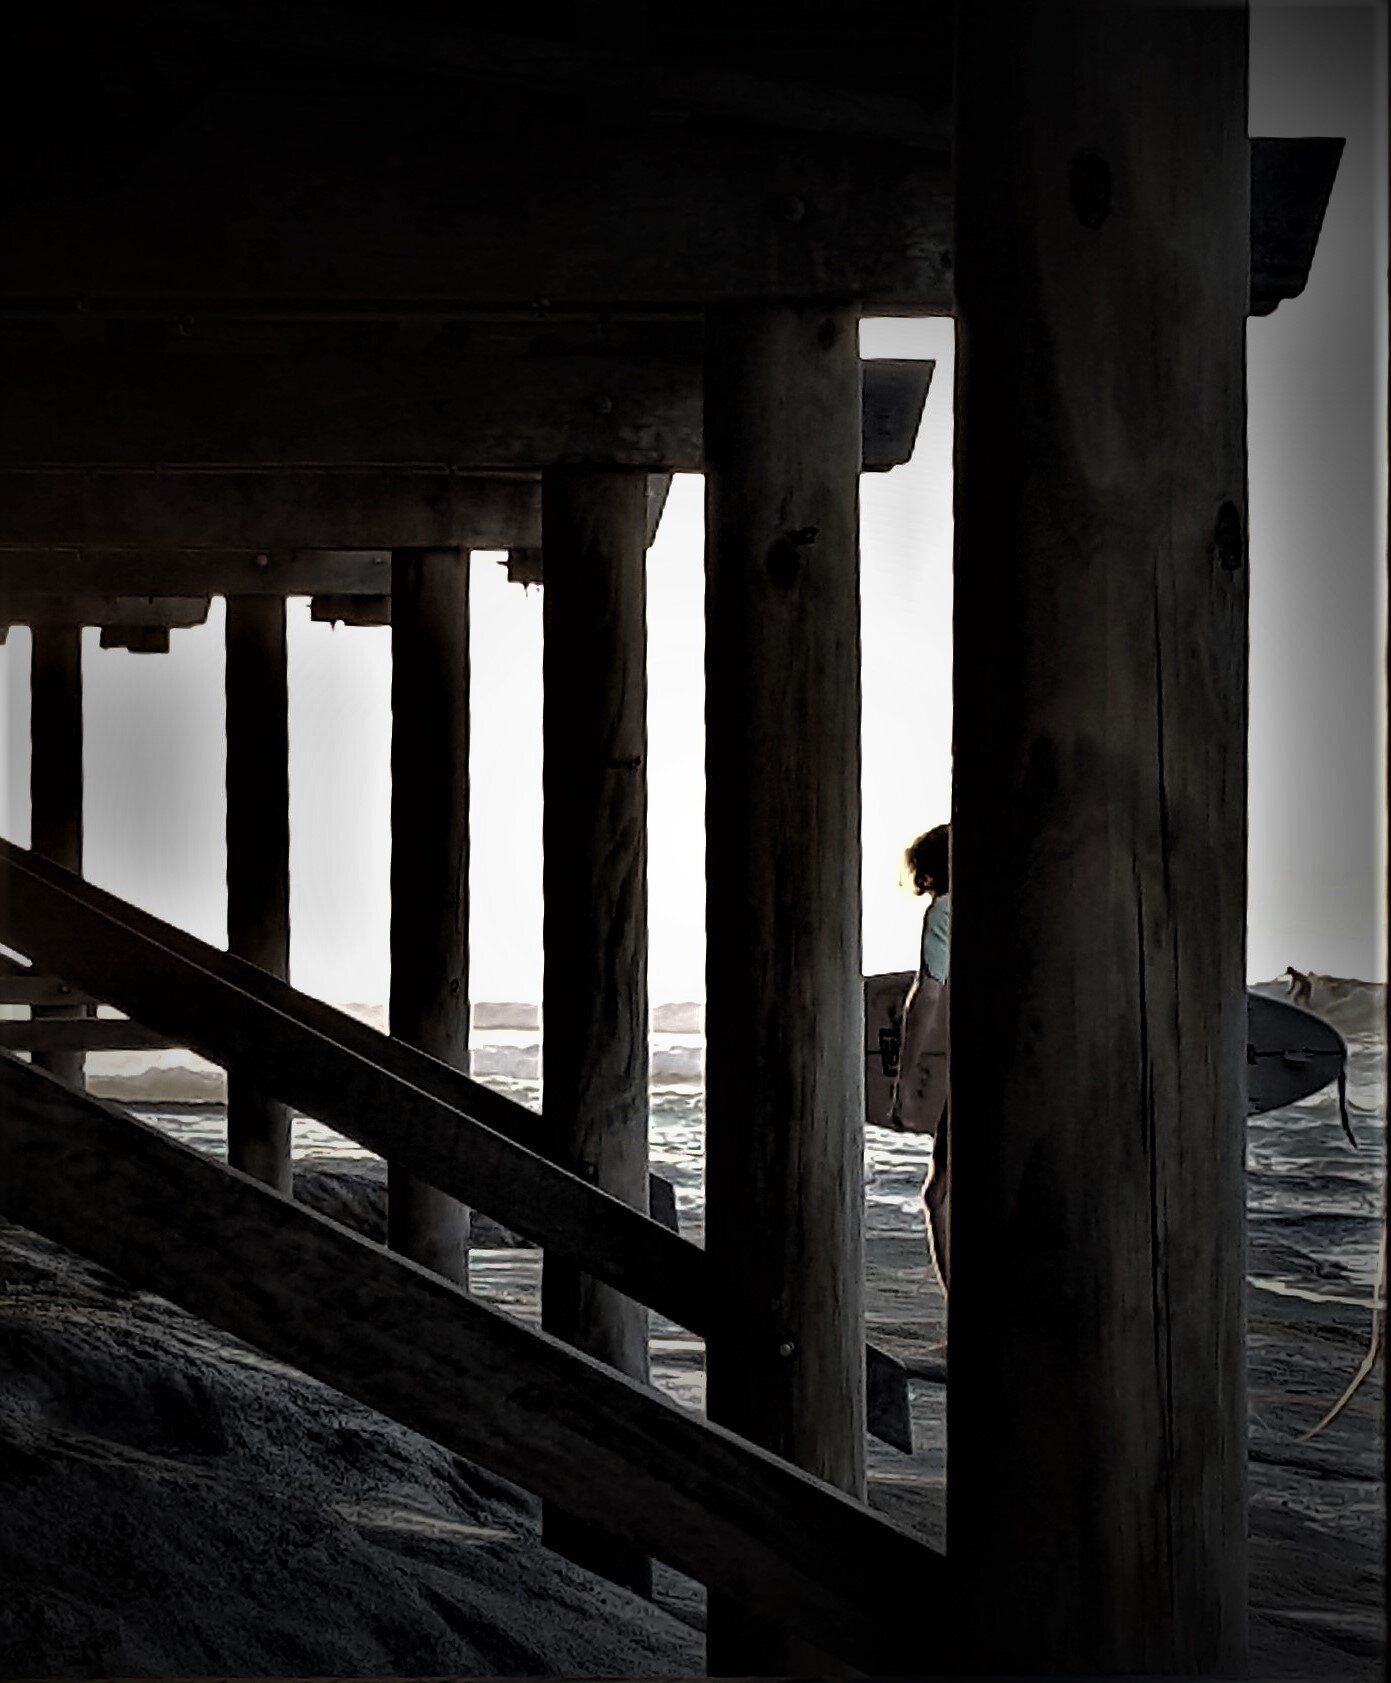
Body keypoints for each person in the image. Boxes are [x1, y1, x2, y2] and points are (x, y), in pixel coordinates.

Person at [890, 823, 951, 1296]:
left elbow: (927, 996)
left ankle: (964, 1327)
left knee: (941, 1194)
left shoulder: (945, 913)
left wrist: (906, 1079)